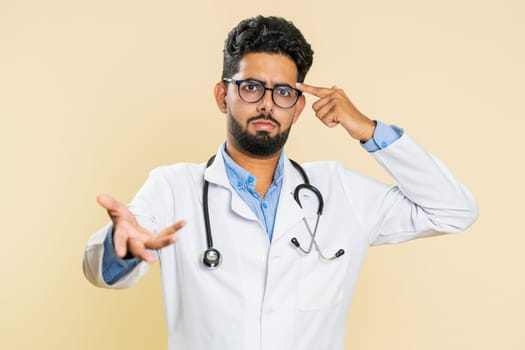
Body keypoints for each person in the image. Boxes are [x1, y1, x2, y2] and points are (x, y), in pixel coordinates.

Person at [83, 15, 478, 350]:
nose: (268, 104)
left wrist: (369, 131)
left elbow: (453, 211)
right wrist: (123, 247)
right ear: (223, 96)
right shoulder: (173, 187)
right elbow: (103, 268)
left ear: (299, 107)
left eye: (284, 92)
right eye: (252, 87)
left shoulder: (339, 191)